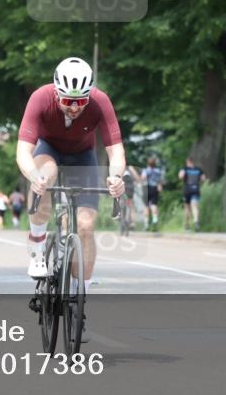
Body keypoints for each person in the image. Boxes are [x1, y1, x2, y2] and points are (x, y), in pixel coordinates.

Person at [16, 56, 126, 297]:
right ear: (56, 93)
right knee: (46, 176)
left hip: (82, 156)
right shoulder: (40, 98)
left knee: (86, 226)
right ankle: (37, 242)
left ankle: (80, 295)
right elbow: (23, 150)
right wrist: (33, 176)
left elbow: (115, 149)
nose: (75, 107)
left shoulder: (100, 102)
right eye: (67, 101)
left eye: (81, 101)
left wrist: (116, 176)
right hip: (48, 150)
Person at [178, 157, 204, 231]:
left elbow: (180, 176)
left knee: (187, 209)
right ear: (193, 162)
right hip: (196, 189)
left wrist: (183, 177)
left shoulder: (185, 168)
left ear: (187, 161)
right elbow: (203, 178)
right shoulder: (198, 169)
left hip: (187, 190)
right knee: (195, 207)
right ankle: (196, 222)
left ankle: (187, 225)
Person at [141, 157, 163, 230]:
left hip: (147, 188)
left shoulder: (146, 170)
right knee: (154, 205)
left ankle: (146, 224)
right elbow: (160, 181)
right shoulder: (158, 171)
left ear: (148, 163)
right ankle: (155, 220)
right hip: (154, 188)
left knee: (146, 206)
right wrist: (160, 186)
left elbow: (143, 178)